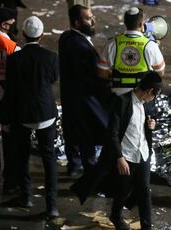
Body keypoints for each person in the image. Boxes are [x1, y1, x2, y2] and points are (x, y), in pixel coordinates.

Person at [72, 72, 163, 230]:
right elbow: (112, 132)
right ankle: (116, 214)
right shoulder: (122, 102)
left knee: (145, 193)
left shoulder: (147, 104)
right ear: (149, 91)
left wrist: (152, 125)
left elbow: (151, 119)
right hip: (126, 157)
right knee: (123, 190)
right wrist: (119, 158)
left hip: (143, 154)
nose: (153, 99)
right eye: (154, 95)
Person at [3, 16, 59, 217]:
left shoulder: (14, 60)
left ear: (23, 35)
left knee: (22, 156)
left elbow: (10, 91)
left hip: (22, 113)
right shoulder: (51, 57)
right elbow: (52, 78)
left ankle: (25, 196)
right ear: (42, 36)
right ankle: (51, 205)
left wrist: (6, 119)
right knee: (49, 158)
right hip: (46, 113)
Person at [58, 4, 110, 176]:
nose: (93, 20)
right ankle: (90, 173)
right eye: (88, 18)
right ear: (77, 23)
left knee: (72, 131)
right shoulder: (81, 47)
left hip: (70, 97)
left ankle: (74, 165)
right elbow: (92, 78)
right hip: (85, 101)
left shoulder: (66, 38)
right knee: (88, 135)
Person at [97, 7, 165, 96]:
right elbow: (160, 74)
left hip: (117, 98)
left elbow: (102, 73)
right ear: (141, 24)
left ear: (125, 23)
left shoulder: (112, 43)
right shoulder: (151, 46)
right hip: (142, 96)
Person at [0, 7, 20, 192]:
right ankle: (10, 179)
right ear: (4, 24)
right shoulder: (11, 47)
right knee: (9, 136)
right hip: (7, 95)